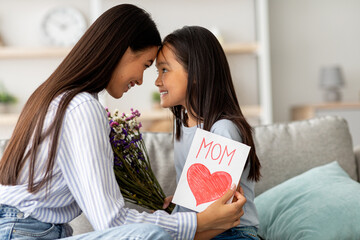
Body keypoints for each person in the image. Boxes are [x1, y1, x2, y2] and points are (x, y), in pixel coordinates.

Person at [0, 5, 246, 240]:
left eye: (162, 70)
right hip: (25, 232)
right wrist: (198, 222)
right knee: (152, 235)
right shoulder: (83, 107)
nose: (142, 80)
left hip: (24, 228)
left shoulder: (60, 97)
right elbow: (111, 221)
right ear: (124, 51)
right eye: (147, 65)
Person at [156, 26, 261, 240]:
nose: (157, 81)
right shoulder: (181, 125)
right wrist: (181, 202)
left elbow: (224, 215)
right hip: (202, 230)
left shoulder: (222, 130)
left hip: (232, 233)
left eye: (164, 70)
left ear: (196, 73)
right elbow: (204, 195)